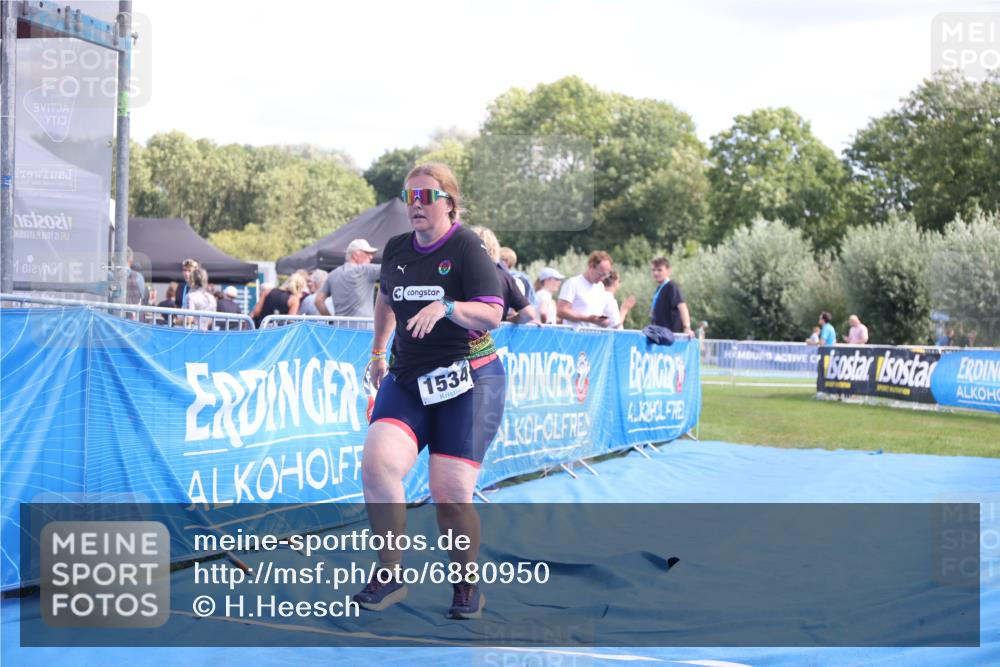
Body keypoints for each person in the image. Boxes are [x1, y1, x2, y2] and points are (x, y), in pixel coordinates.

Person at [355, 163, 505, 620]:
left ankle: (466, 584)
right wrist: (378, 352)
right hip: (408, 378)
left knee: (450, 493)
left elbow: (493, 314)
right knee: (377, 466)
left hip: (469, 379)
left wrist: (448, 307)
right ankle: (390, 573)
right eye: (410, 196)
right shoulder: (397, 248)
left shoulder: (466, 246)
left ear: (449, 203)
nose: (416, 204)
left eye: (426, 196)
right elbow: (386, 299)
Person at [471, 226, 539, 324]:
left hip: (464, 331)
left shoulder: (461, 272)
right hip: (495, 331)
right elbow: (528, 314)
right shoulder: (506, 278)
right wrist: (505, 322)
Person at [316, 239, 380, 318]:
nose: (371, 257)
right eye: (367, 253)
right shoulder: (366, 270)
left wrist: (331, 320)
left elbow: (318, 301)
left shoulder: (333, 274)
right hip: (363, 325)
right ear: (355, 255)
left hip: (340, 325)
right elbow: (391, 269)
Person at [557, 251, 614, 329]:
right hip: (574, 334)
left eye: (605, 275)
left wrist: (603, 321)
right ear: (591, 266)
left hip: (594, 334)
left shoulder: (600, 286)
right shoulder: (572, 283)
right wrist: (588, 319)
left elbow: (595, 313)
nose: (602, 278)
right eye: (601, 274)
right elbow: (561, 311)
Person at [649, 257, 693, 335]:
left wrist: (687, 327)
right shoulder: (660, 288)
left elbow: (682, 306)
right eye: (653, 270)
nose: (656, 273)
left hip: (670, 335)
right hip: (660, 333)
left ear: (668, 271)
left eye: (659, 270)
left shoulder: (671, 286)